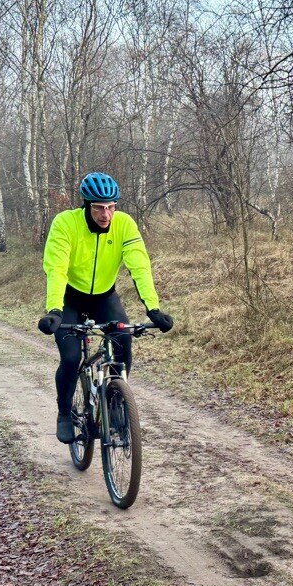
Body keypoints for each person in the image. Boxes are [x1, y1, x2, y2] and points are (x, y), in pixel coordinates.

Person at [38, 172, 174, 444]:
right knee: (70, 357)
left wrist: (153, 308)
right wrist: (54, 310)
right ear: (86, 205)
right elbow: (56, 268)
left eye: (111, 207)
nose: (106, 214)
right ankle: (65, 413)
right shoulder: (66, 223)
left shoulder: (124, 224)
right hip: (69, 298)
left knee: (123, 337)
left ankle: (114, 404)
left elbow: (140, 266)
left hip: (103, 297)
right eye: (99, 207)